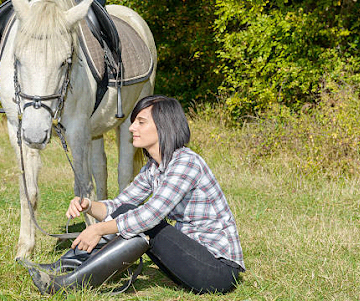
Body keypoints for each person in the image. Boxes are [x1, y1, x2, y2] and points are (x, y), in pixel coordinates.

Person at [24, 95, 245, 294]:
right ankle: (64, 267)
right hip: (189, 262)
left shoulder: (186, 162)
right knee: (127, 212)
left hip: (218, 271)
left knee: (144, 223)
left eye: (141, 122)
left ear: (164, 126)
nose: (131, 128)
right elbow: (118, 206)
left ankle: (68, 284)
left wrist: (98, 229)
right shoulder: (153, 168)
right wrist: (88, 205)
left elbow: (150, 216)